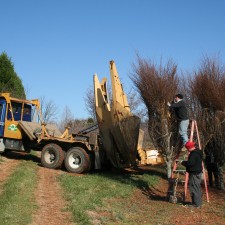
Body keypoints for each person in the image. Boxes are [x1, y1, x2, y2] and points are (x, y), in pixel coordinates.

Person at [182, 141, 203, 208]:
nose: (187, 150)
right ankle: (197, 202)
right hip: (198, 172)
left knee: (194, 188)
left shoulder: (193, 154)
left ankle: (196, 204)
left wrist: (183, 162)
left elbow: (190, 163)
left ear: (189, 148)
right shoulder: (198, 152)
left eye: (187, 148)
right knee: (197, 188)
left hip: (194, 173)